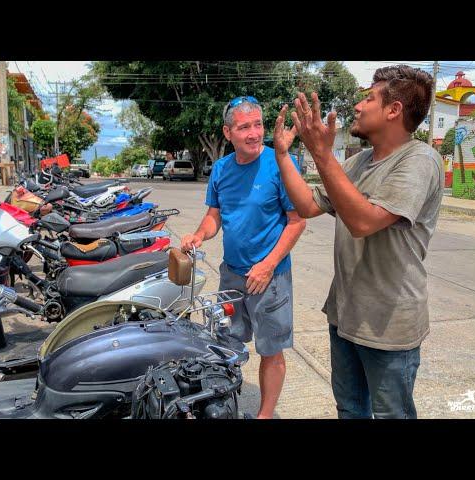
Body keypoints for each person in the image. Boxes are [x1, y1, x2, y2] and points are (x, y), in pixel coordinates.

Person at [272, 65, 443, 419]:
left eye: (368, 98)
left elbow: (364, 222)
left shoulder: (420, 160)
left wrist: (321, 154)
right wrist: (283, 155)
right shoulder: (359, 161)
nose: (357, 106)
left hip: (389, 325)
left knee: (392, 414)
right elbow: (306, 205)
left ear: (394, 110)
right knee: (349, 409)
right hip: (345, 314)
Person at [181, 96, 306, 419]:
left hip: (270, 277)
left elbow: (297, 220)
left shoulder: (280, 162)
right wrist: (198, 235)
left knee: (271, 351)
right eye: (244, 127)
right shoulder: (221, 169)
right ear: (228, 132)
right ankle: (224, 407)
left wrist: (268, 265)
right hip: (232, 275)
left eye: (258, 125)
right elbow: (214, 217)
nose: (253, 134)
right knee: (226, 347)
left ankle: (264, 416)